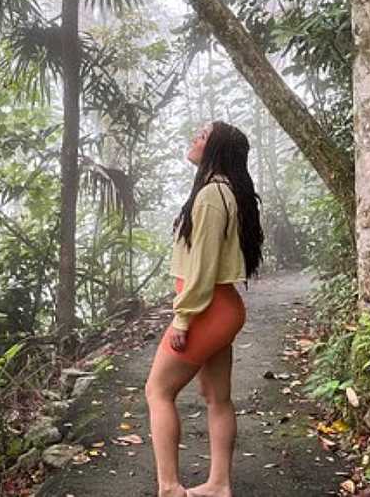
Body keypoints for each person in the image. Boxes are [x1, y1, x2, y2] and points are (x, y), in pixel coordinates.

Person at [145, 121, 264, 497]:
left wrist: (183, 318)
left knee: (158, 391)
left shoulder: (213, 194)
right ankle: (218, 485)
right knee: (217, 397)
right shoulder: (226, 191)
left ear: (217, 149)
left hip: (208, 309)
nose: (194, 138)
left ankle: (169, 488)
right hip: (221, 308)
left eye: (202, 135)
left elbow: (202, 268)